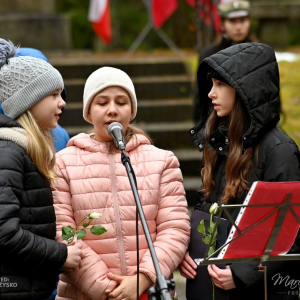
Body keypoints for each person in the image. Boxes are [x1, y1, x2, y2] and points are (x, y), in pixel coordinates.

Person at [52, 66, 191, 300]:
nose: (113, 110)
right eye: (102, 102)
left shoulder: (162, 161)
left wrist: (143, 279)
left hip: (149, 291)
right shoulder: (63, 163)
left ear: (132, 110)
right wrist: (109, 291)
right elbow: (62, 233)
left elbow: (175, 228)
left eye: (122, 102)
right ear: (88, 112)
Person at [180, 42, 300, 300]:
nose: (211, 93)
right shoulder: (222, 142)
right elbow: (210, 211)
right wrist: (188, 253)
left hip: (261, 290)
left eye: (220, 85)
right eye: (211, 84)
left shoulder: (280, 150)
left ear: (247, 91)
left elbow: (292, 230)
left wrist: (243, 274)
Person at [0, 38, 83, 300]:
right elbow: (4, 232)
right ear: (29, 100)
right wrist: (61, 254)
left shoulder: (27, 150)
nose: (63, 103)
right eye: (54, 95)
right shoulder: (9, 153)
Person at [193, 0, 252, 124]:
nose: (238, 27)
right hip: (218, 128)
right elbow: (200, 99)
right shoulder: (209, 55)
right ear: (222, 24)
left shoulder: (259, 53)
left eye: (242, 20)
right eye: (232, 21)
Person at [0, 48, 70, 152]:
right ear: (27, 101)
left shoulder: (60, 136)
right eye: (54, 94)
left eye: (60, 94)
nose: (63, 103)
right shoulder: (8, 151)